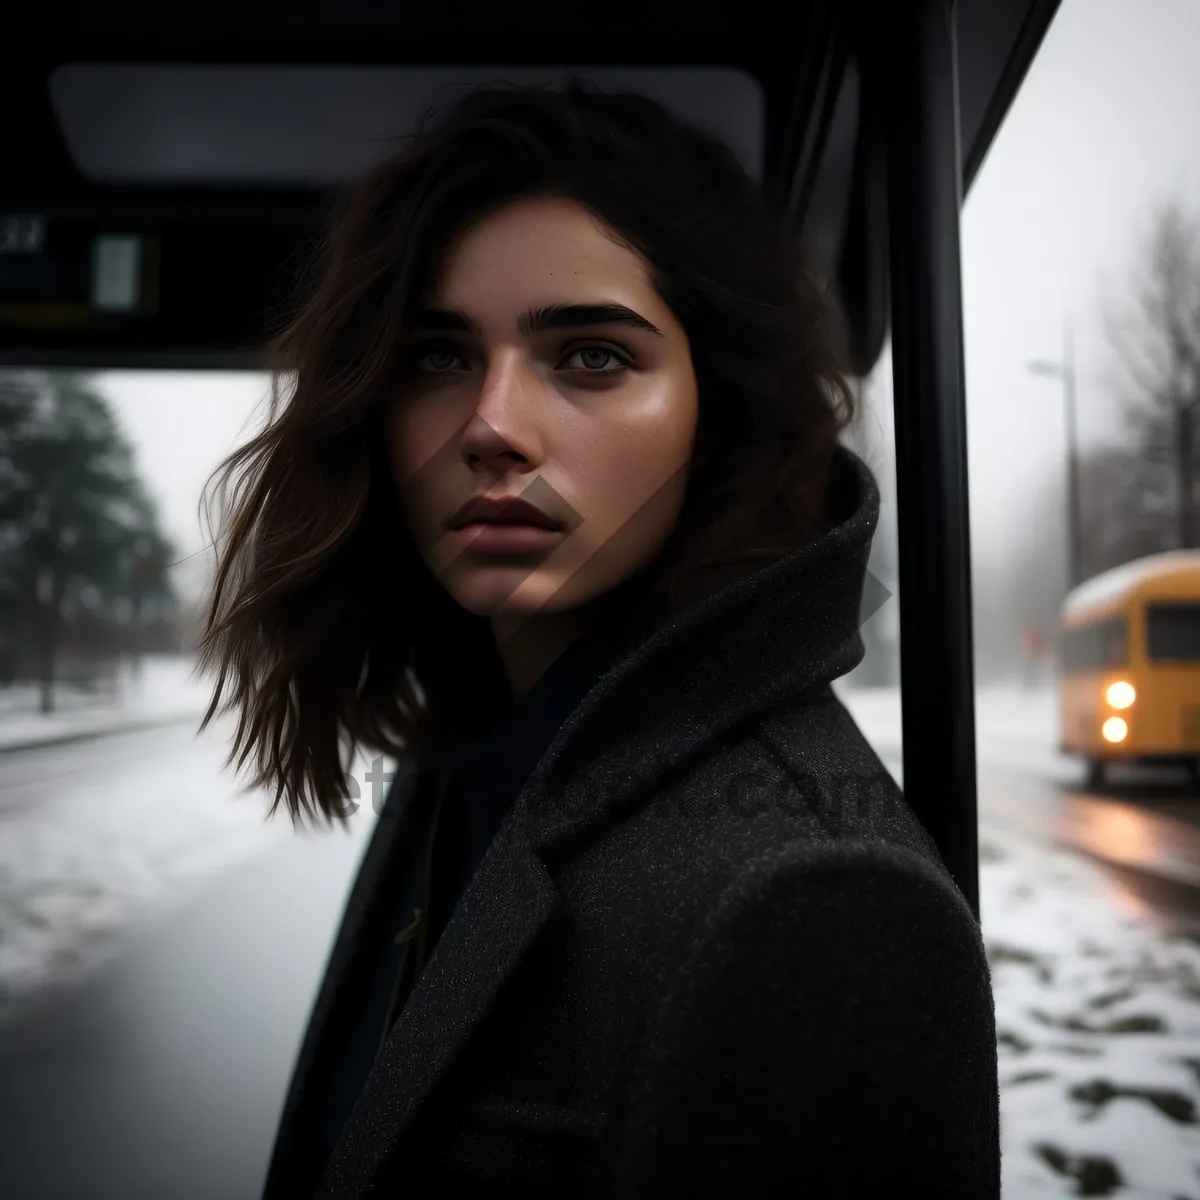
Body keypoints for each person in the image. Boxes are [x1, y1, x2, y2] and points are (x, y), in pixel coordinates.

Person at [197, 80, 999, 1198]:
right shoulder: (472, 752)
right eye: (436, 358)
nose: (491, 427)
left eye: (590, 358)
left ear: (718, 410)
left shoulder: (811, 892)